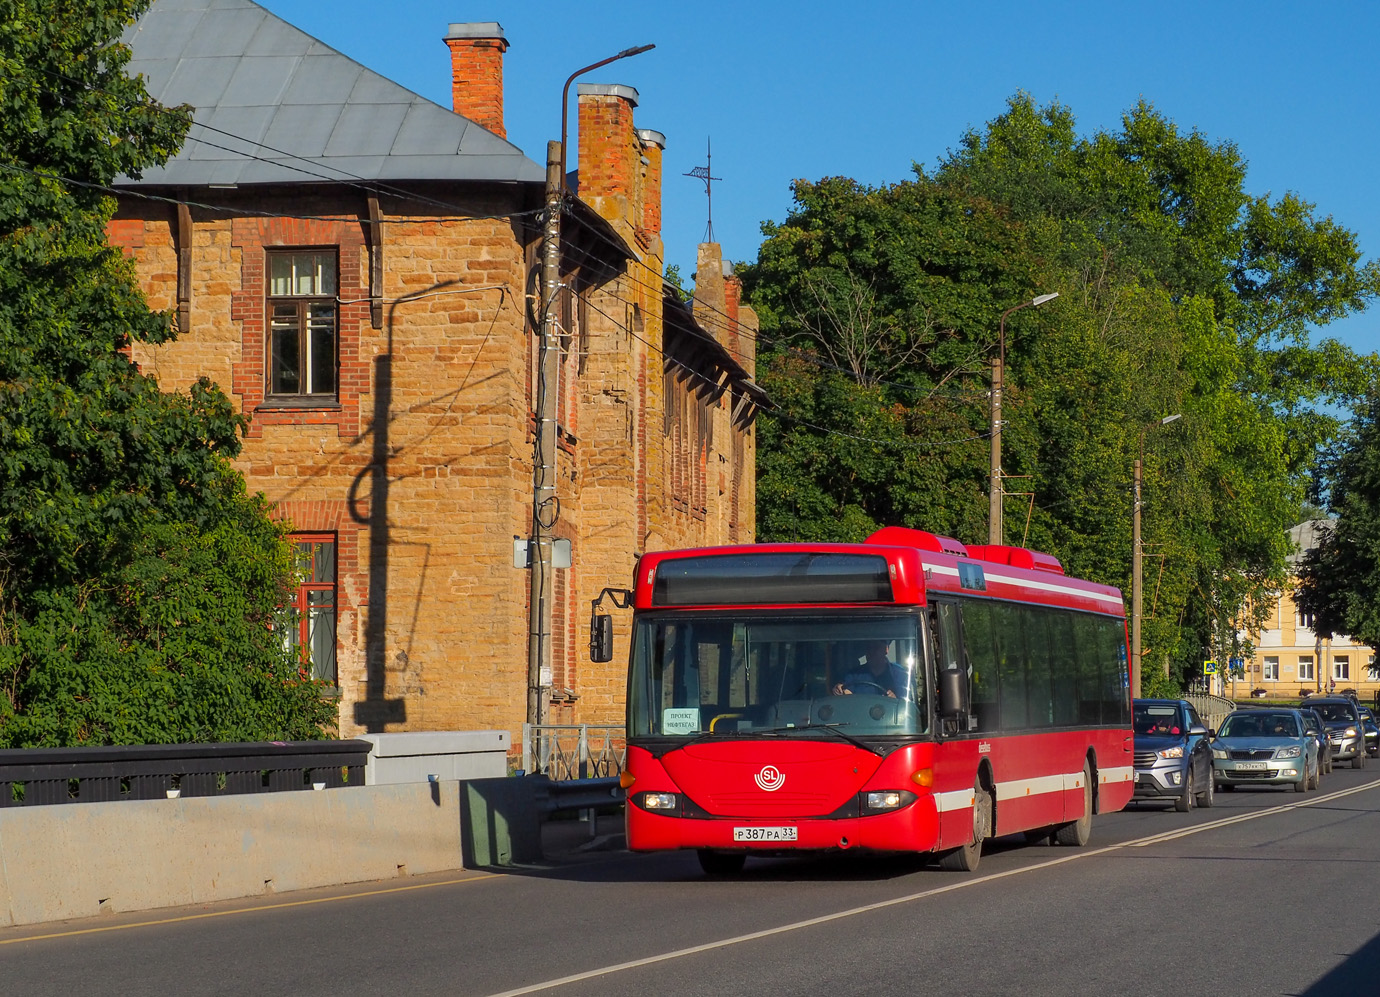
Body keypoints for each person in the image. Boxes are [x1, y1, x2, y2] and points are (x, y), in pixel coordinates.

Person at [833, 640, 908, 698]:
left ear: (886, 649)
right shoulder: (854, 674)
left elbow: (905, 703)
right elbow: (846, 693)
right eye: (869, 648)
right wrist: (839, 691)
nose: (871, 652)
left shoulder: (900, 674)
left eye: (876, 647)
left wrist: (895, 699)